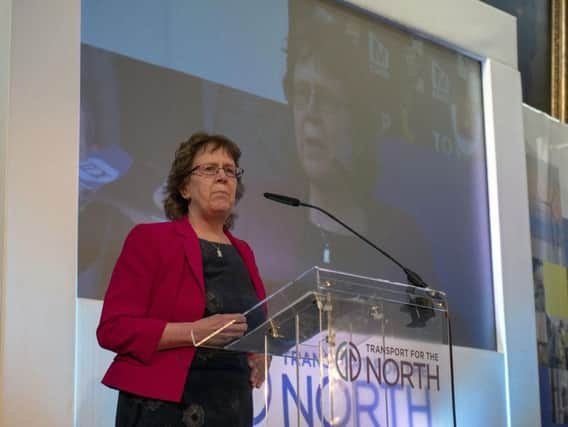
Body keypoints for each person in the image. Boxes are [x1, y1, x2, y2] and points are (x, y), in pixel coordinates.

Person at [97, 132, 268, 427]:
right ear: (185, 187)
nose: (222, 177)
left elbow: (253, 324)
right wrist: (193, 333)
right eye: (210, 169)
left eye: (230, 170)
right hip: (164, 408)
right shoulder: (150, 240)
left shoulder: (245, 252)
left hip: (232, 405)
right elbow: (114, 330)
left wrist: (259, 354)